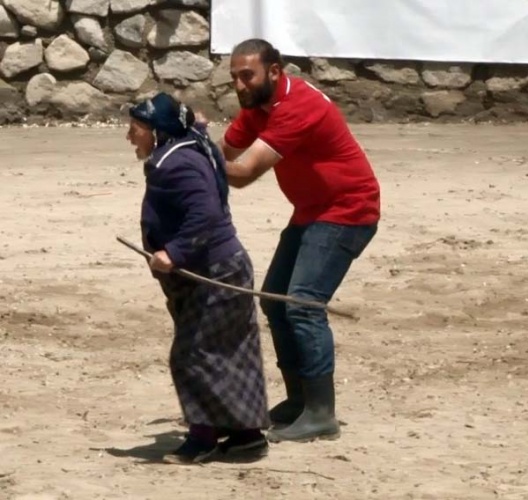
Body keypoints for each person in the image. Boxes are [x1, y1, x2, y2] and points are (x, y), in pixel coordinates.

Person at [218, 39, 381, 443]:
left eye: (246, 75)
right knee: (275, 298)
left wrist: (186, 156)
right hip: (312, 211)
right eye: (234, 77)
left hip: (347, 212)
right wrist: (196, 145)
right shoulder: (259, 104)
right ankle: (298, 402)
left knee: (304, 304)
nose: (239, 85)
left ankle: (322, 413)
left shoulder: (296, 107)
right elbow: (227, 148)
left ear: (274, 71)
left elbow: (241, 172)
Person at [126, 92, 270, 463]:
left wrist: (173, 252)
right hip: (218, 270)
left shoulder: (179, 163)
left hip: (214, 274)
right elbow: (198, 127)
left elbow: (205, 214)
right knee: (229, 351)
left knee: (194, 354)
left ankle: (203, 437)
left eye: (136, 129)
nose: (130, 137)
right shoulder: (191, 143)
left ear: (157, 132)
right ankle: (246, 437)